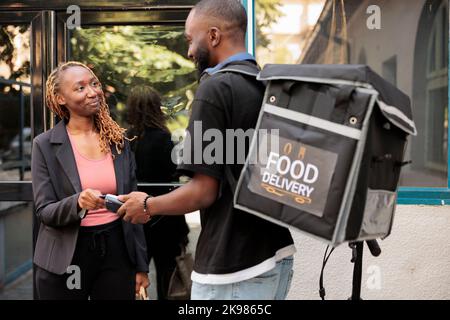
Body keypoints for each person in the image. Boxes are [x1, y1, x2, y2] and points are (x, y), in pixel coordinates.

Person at [118, 0, 296, 300]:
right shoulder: (264, 85)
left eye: (191, 39)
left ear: (213, 36)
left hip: (234, 269)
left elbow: (204, 191)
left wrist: (147, 206)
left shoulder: (215, 89)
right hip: (275, 254)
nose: (189, 51)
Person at [31, 61, 149, 300]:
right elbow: (45, 211)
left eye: (94, 84)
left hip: (117, 249)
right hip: (67, 255)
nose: (93, 92)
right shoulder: (44, 145)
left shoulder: (119, 142)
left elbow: (133, 209)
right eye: (80, 88)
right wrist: (77, 202)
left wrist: (141, 265)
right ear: (61, 98)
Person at [126, 85, 190, 300]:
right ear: (156, 108)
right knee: (169, 283)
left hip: (135, 221)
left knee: (135, 281)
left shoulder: (126, 140)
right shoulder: (165, 138)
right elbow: (175, 177)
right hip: (167, 220)